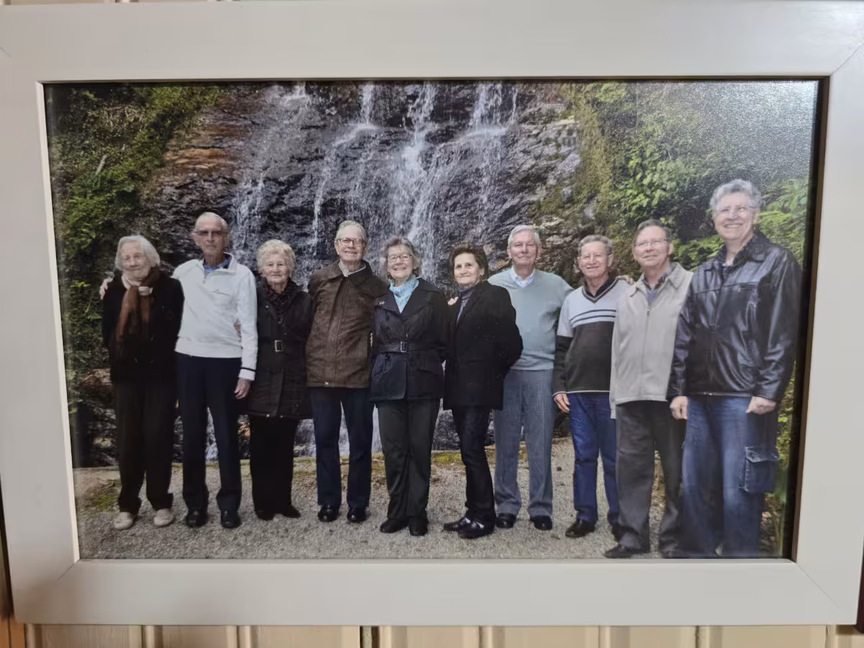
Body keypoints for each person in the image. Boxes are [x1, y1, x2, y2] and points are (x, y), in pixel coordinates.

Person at [669, 179, 801, 558]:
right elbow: (685, 336)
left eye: (741, 208)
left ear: (755, 215)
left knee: (740, 488)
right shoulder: (705, 272)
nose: (732, 216)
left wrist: (769, 390)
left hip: (744, 398)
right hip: (699, 398)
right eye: (724, 210)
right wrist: (679, 390)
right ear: (714, 219)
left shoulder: (777, 262)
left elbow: (784, 332)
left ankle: (740, 566)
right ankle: (697, 560)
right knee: (695, 486)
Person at [605, 220, 693, 558]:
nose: (649, 248)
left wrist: (688, 391)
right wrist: (615, 397)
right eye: (642, 244)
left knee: (677, 470)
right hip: (630, 396)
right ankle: (633, 537)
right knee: (631, 470)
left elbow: (700, 345)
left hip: (672, 396)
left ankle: (673, 539)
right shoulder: (627, 295)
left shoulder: (691, 286)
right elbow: (618, 349)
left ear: (670, 247)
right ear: (633, 252)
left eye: (656, 242)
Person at [173, 212, 258, 529]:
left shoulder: (242, 275)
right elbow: (160, 304)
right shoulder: (183, 272)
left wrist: (247, 370)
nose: (210, 238)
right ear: (194, 237)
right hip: (188, 361)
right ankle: (195, 504)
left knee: (226, 436)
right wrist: (113, 285)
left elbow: (248, 326)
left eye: (216, 232)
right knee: (192, 437)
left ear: (226, 237)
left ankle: (229, 504)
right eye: (204, 232)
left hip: (226, 362)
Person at [488, 225, 571, 531]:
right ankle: (507, 505)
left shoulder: (557, 285)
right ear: (508, 251)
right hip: (505, 374)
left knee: (540, 442)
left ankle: (541, 508)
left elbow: (580, 307)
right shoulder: (493, 284)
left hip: (542, 373)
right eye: (518, 245)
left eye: (529, 245)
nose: (523, 249)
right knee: (505, 441)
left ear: (539, 250)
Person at [306, 220, 389, 523]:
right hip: (321, 373)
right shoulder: (319, 279)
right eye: (345, 240)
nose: (351, 245)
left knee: (360, 442)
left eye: (357, 241)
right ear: (336, 245)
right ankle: (329, 501)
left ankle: (358, 502)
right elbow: (308, 320)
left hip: (359, 375)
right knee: (325, 439)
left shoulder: (377, 286)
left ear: (365, 247)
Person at [102, 235, 184, 531]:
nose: (132, 262)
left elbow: (176, 328)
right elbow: (107, 333)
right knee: (128, 440)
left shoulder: (171, 287)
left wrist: (151, 303)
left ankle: (161, 502)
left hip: (161, 375)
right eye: (126, 258)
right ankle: (127, 505)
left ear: (150, 258)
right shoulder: (112, 290)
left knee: (158, 437)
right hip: (126, 377)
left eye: (137, 256)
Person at [442, 242, 523, 540]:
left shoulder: (495, 295)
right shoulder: (456, 302)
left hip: (479, 388)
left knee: (472, 449)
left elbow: (513, 344)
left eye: (469, 265)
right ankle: (472, 512)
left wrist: (491, 375)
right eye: (458, 266)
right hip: (458, 387)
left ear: (482, 269)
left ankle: (484, 517)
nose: (463, 270)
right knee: (468, 451)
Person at [369, 237, 448, 537]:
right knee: (393, 450)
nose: (399, 261)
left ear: (415, 261)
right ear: (386, 265)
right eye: (393, 257)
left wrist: (422, 359)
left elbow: (444, 341)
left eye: (405, 256)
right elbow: (374, 342)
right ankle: (397, 510)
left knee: (419, 448)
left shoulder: (433, 295)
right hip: (387, 379)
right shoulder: (378, 297)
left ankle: (417, 512)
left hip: (423, 378)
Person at [553, 235, 629, 541]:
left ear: (610, 260)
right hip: (578, 393)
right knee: (583, 456)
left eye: (598, 255)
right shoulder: (571, 300)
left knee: (614, 458)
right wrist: (559, 387)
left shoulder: (628, 293)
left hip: (615, 392)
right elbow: (561, 349)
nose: (592, 261)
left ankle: (620, 518)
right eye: (586, 256)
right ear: (578, 263)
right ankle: (585, 515)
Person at [245, 240, 313, 521]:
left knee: (285, 444)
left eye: (281, 264)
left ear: (290, 268)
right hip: (261, 374)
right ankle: (262, 502)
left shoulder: (304, 299)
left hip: (293, 375)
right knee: (260, 444)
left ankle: (283, 500)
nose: (276, 269)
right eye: (270, 264)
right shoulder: (251, 295)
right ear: (261, 269)